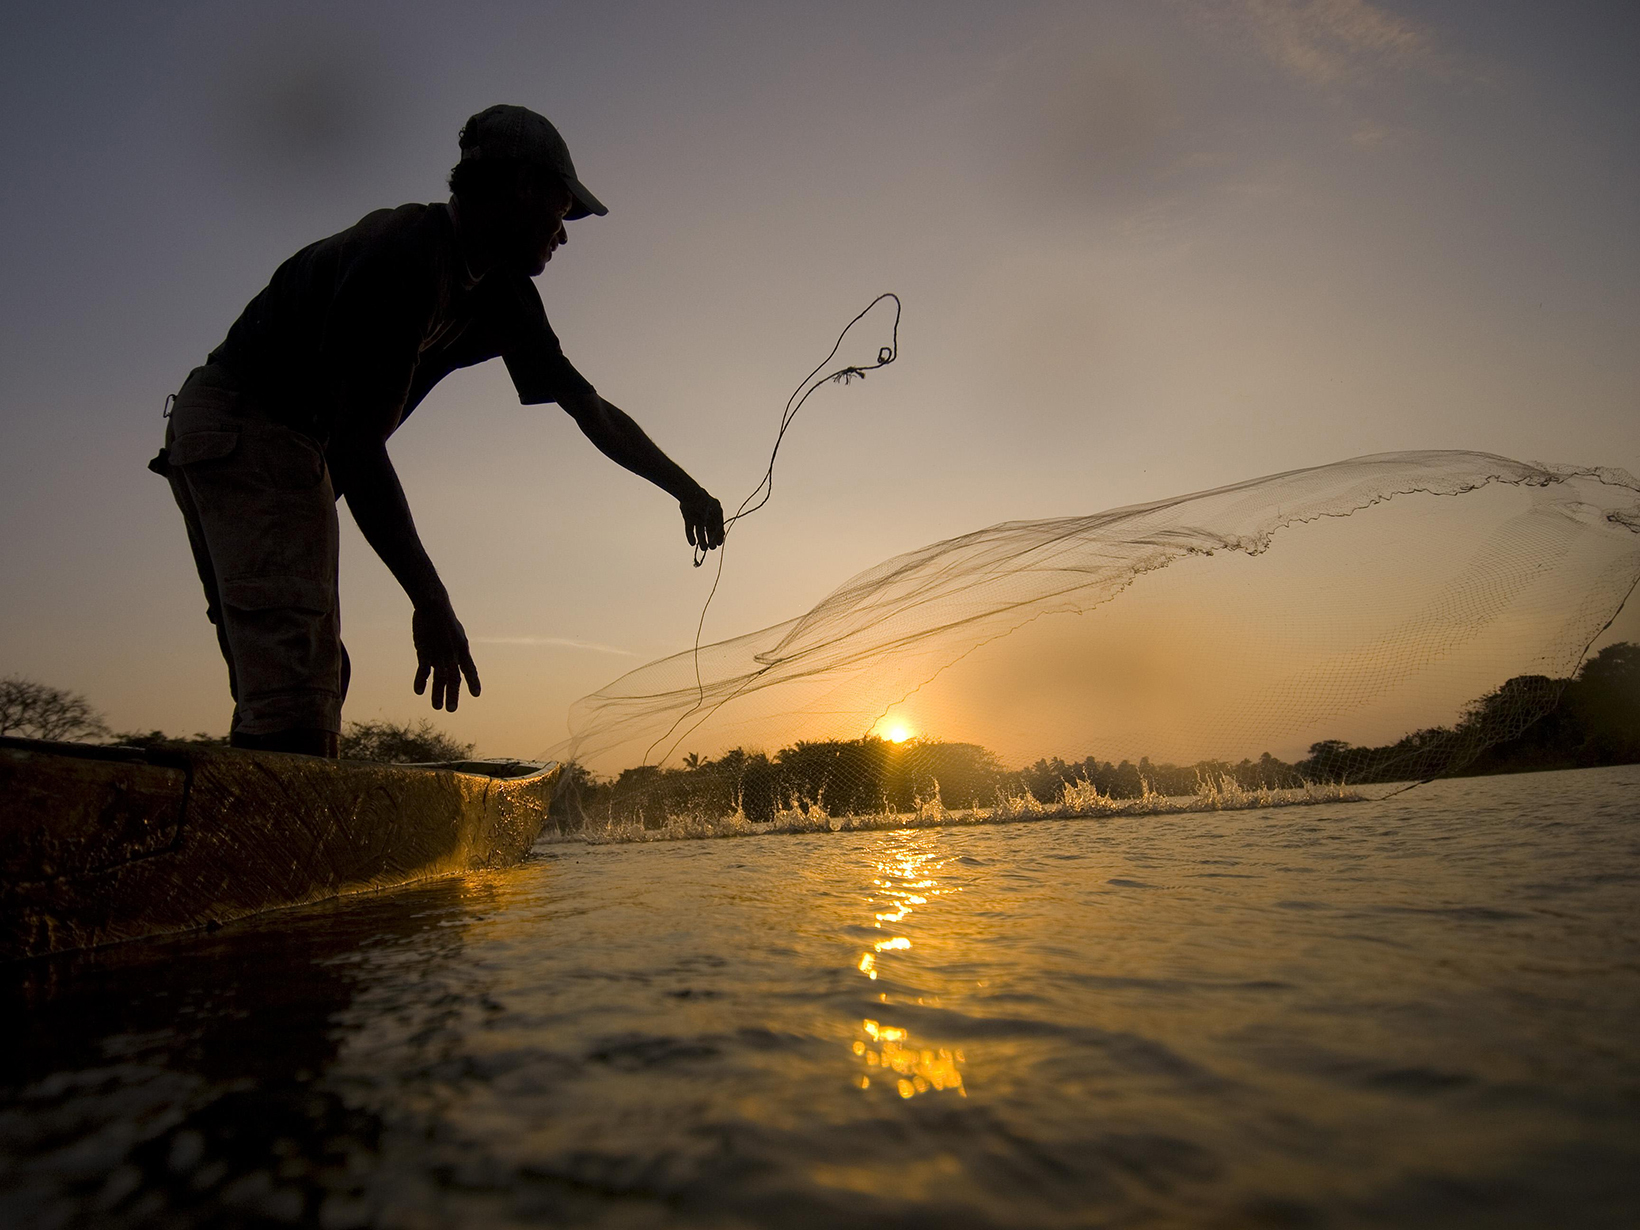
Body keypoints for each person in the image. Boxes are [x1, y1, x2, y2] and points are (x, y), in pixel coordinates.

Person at [151, 104, 724, 758]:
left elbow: (590, 411)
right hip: (250, 427)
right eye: (561, 210)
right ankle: (272, 844)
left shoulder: (500, 294)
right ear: (520, 189)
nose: (564, 235)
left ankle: (229, 822)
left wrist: (688, 490)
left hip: (261, 441)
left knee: (296, 671)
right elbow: (358, 448)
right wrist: (431, 602)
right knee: (296, 682)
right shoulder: (403, 256)